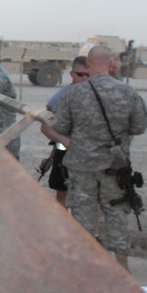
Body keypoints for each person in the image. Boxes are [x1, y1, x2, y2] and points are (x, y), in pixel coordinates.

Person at [53, 45, 147, 269]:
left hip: (81, 167)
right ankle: (122, 267)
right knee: (116, 213)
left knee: (82, 215)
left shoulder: (74, 93)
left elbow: (61, 126)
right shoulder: (127, 92)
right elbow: (139, 127)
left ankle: (83, 267)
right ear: (111, 64)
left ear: (87, 64)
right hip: (114, 166)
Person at [41, 56, 90, 206]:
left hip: (90, 153)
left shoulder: (96, 95)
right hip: (65, 152)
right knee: (62, 192)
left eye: (89, 75)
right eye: (81, 74)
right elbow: (45, 128)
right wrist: (63, 141)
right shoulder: (60, 98)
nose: (85, 78)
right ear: (71, 74)